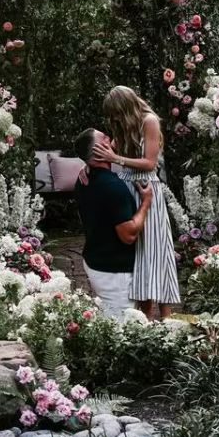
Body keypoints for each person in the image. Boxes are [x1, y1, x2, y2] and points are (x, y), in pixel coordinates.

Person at [92, 85, 181, 318]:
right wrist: (86, 168)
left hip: (145, 189)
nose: (115, 119)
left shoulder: (149, 121)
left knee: (154, 251)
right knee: (136, 254)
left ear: (127, 107)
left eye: (118, 113)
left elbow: (150, 164)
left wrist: (115, 158)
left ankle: (166, 316)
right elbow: (102, 153)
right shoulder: (122, 126)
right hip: (126, 190)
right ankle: (142, 317)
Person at [73, 128, 154, 319]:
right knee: (120, 329)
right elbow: (128, 235)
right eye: (105, 138)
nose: (110, 138)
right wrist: (146, 202)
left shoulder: (83, 180)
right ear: (99, 149)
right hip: (113, 272)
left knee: (108, 320)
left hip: (96, 260)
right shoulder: (112, 187)